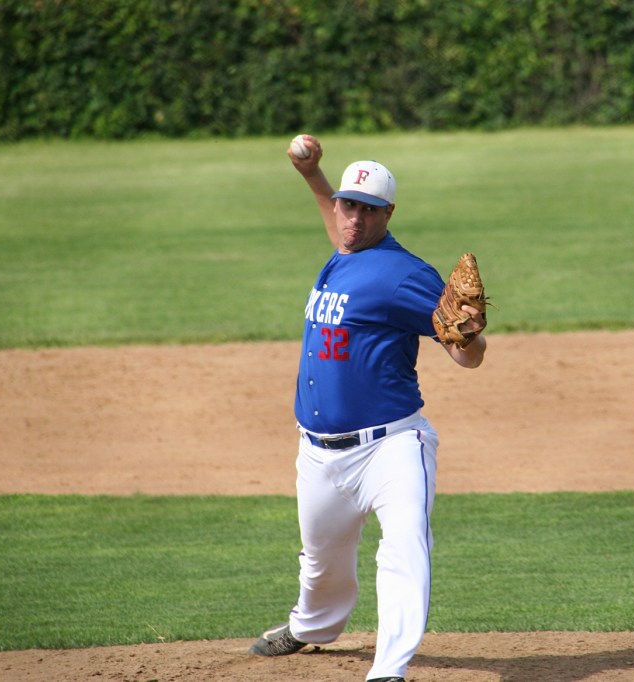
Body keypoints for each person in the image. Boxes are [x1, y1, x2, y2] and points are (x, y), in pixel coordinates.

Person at [248, 135, 487, 682]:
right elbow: (341, 230)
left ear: (389, 213)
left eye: (368, 209)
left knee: (403, 550)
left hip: (391, 446)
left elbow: (464, 357)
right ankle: (311, 628)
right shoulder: (344, 252)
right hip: (318, 454)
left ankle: (389, 669)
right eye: (348, 204)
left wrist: (469, 337)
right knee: (320, 562)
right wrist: (313, 175)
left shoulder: (405, 275)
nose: (354, 217)